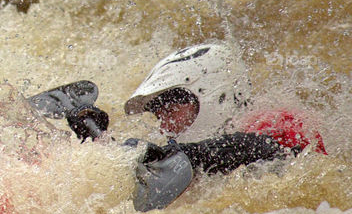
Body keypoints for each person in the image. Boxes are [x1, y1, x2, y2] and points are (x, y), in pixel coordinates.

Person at [124, 43, 325, 200]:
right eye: (159, 116)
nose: (164, 127)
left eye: (170, 110)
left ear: (213, 94)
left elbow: (269, 151)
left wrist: (194, 154)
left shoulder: (278, 124)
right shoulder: (197, 166)